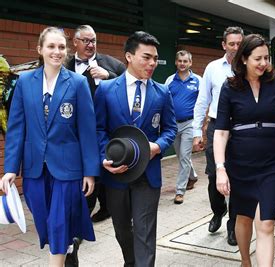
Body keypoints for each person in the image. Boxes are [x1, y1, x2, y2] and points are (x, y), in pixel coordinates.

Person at [0, 26, 99, 266]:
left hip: (68, 166)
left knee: (58, 221)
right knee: (43, 219)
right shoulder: (24, 82)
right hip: (34, 167)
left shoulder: (77, 83)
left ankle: (58, 255)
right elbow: (16, 128)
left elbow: (87, 131)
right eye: (51, 46)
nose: (57, 52)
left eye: (61, 47)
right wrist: (10, 169)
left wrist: (90, 172)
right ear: (40, 49)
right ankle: (66, 244)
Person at [214, 34, 275, 266]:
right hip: (240, 164)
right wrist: (220, 169)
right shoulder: (230, 87)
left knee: (267, 224)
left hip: (271, 164)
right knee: (243, 217)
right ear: (243, 59)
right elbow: (221, 132)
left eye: (266, 58)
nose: (263, 63)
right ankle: (245, 261)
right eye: (258, 58)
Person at [94, 31, 177, 266]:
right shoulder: (106, 89)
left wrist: (158, 146)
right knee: (122, 229)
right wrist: (104, 158)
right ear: (129, 56)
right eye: (146, 57)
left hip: (148, 175)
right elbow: (98, 129)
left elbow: (170, 129)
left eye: (155, 58)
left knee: (145, 231)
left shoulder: (162, 92)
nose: (152, 63)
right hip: (116, 174)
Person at [65, 25, 126, 224]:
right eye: (86, 41)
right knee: (84, 171)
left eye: (93, 41)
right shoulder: (64, 65)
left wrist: (109, 76)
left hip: (103, 129)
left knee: (102, 169)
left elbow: (128, 84)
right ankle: (83, 214)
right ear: (75, 42)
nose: (91, 45)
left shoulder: (112, 64)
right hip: (74, 130)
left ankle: (104, 208)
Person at [192, 26, 244, 246]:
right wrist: (196, 132)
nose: (235, 48)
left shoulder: (247, 67)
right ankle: (218, 211)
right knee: (215, 176)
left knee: (238, 179)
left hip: (240, 129)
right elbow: (203, 100)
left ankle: (233, 225)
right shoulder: (213, 68)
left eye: (239, 44)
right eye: (231, 44)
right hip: (215, 127)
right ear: (224, 45)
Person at [164, 50, 201, 204]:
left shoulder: (198, 80)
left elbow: (204, 101)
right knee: (181, 156)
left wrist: (201, 124)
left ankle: (180, 191)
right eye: (180, 61)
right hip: (173, 124)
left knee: (184, 156)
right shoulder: (169, 80)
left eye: (185, 61)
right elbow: (164, 101)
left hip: (189, 124)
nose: (182, 64)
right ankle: (193, 176)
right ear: (176, 62)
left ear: (190, 63)